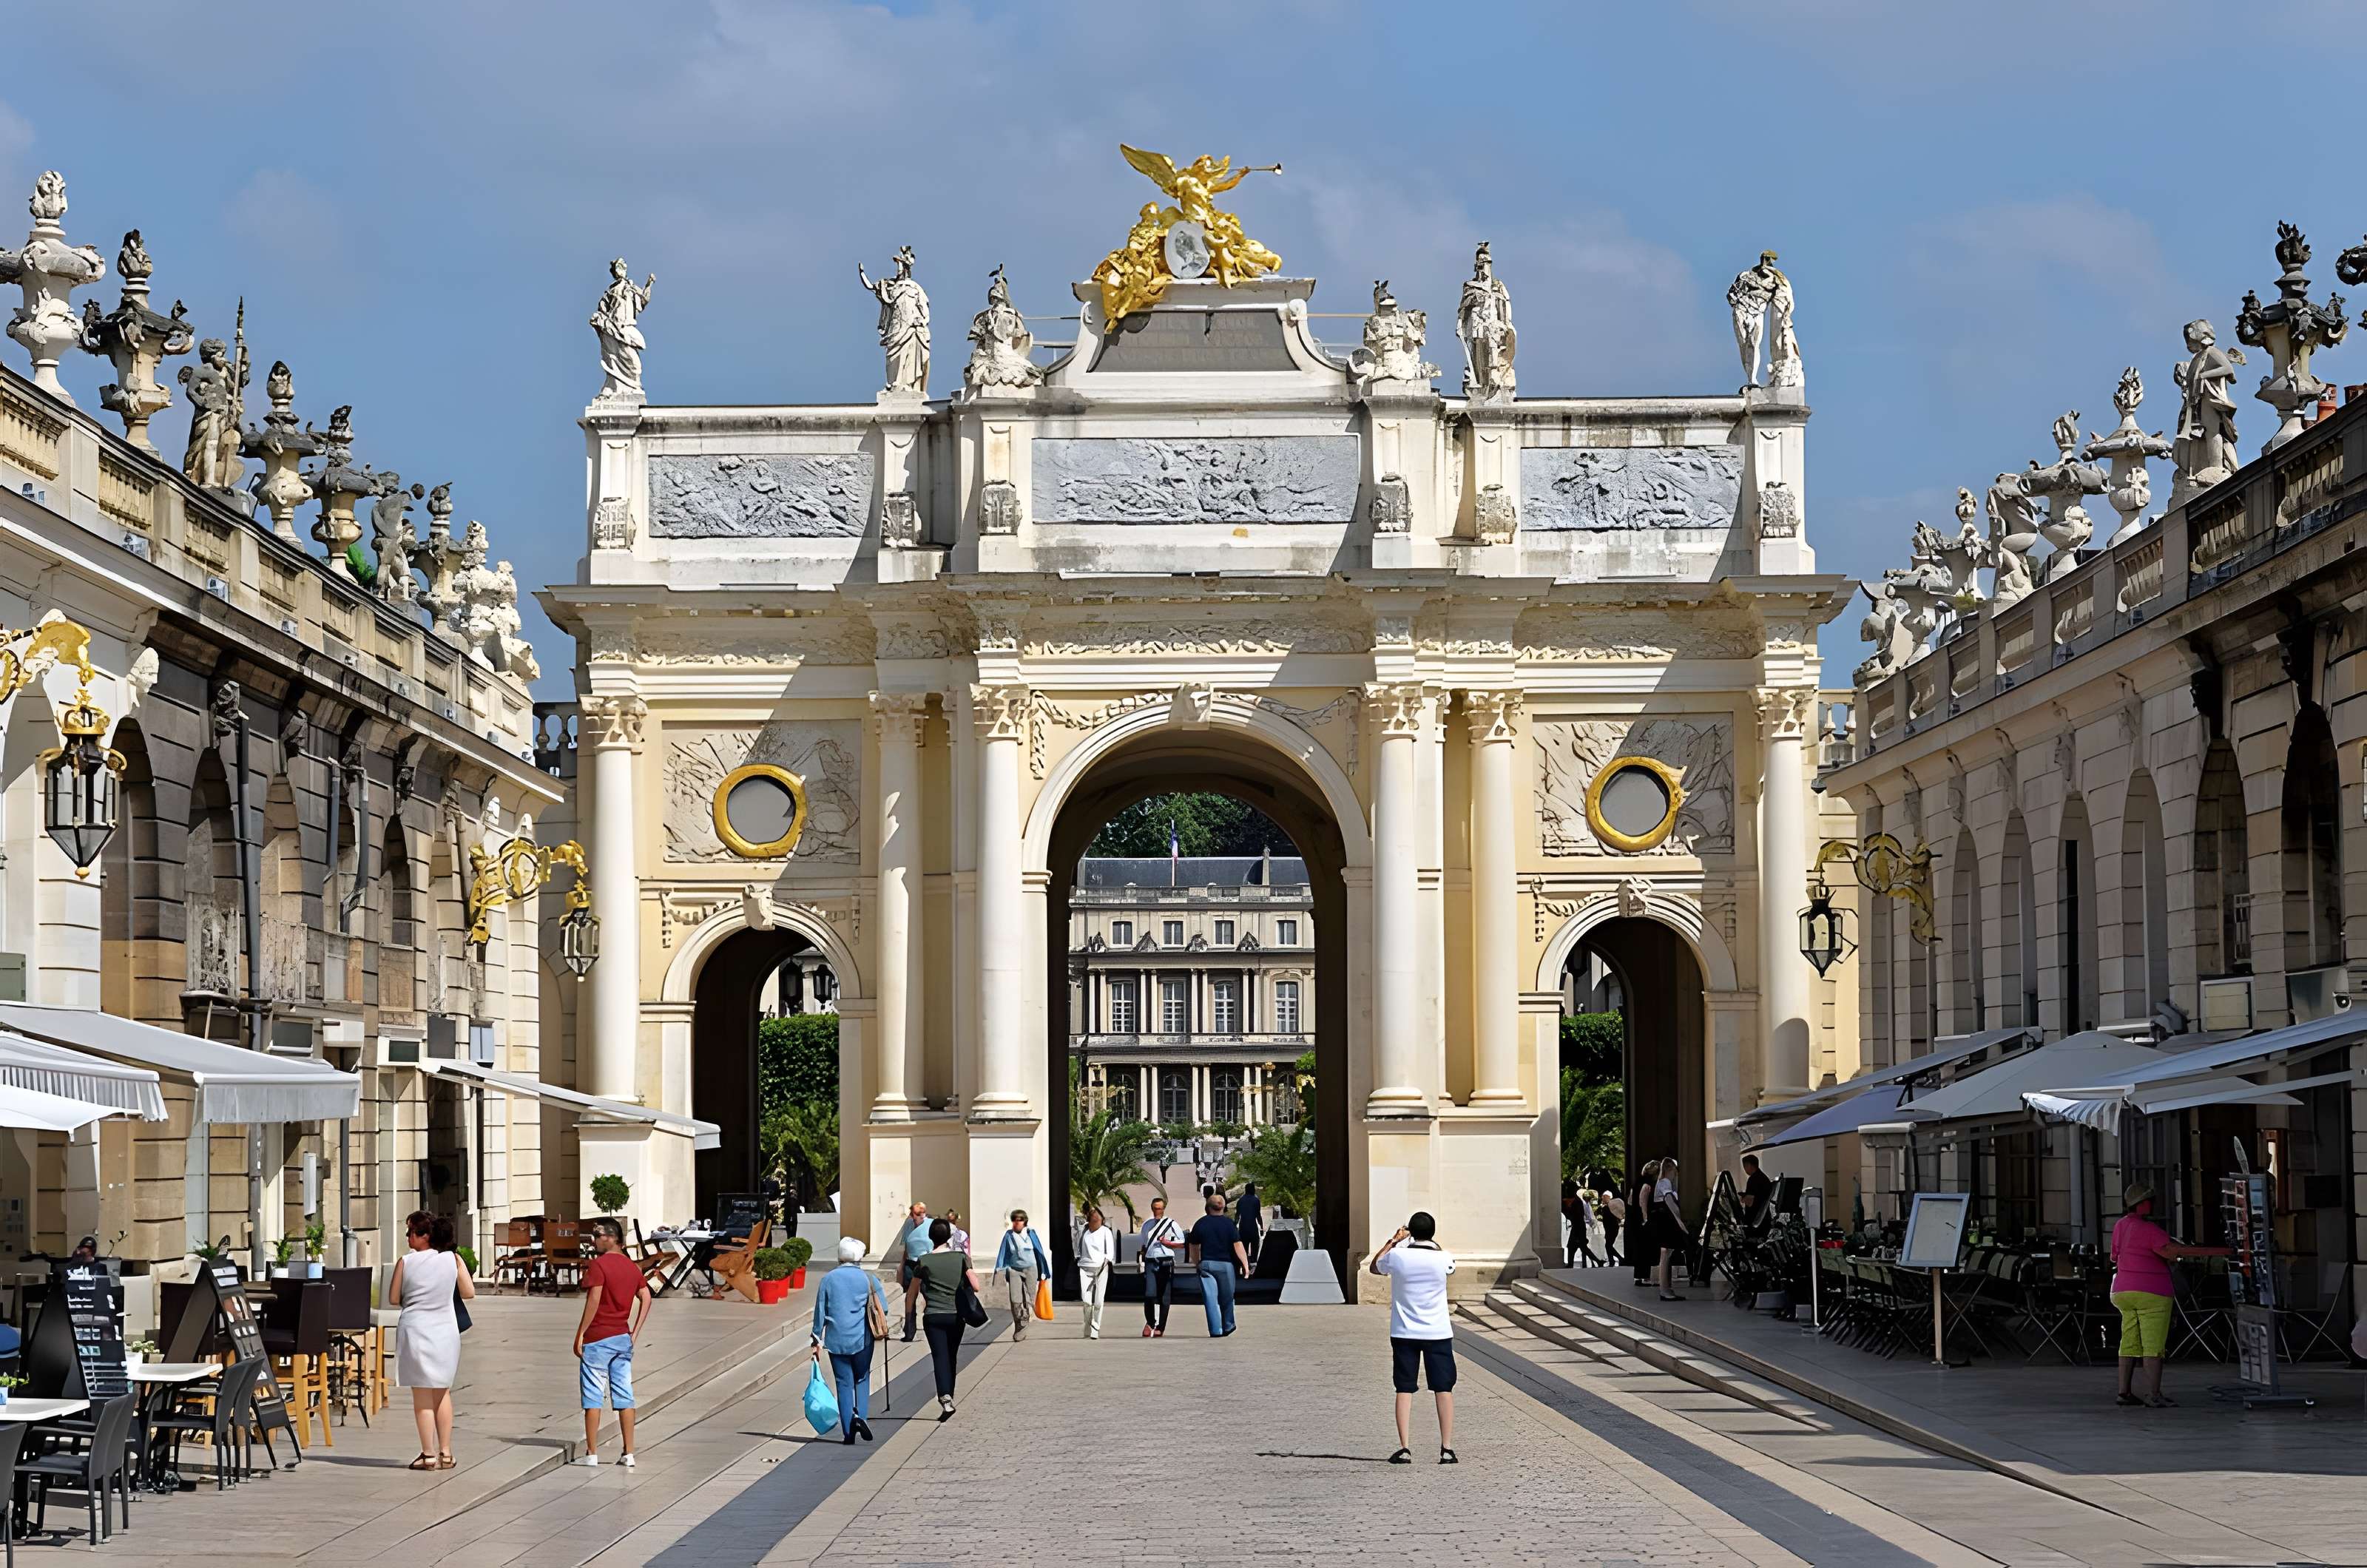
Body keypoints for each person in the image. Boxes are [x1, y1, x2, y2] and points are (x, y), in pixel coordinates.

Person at [2110, 1182, 2224, 1408]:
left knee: (2129, 1342)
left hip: (2122, 1291)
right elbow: (2171, 1252)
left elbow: (2114, 1256)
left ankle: (2124, 1392)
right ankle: (2153, 1394)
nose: (2153, 1205)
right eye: (2151, 1201)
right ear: (2142, 1204)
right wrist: (2219, 1251)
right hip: (2151, 1293)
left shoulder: (2120, 1226)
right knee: (2153, 1345)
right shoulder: (2150, 1230)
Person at [1369, 1212, 1458, 1464]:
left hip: (1404, 1331)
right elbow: (1449, 1267)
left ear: (1410, 1232)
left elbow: (1376, 1267)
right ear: (1432, 1232)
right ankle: (1447, 1448)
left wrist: (1394, 1240)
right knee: (1444, 1388)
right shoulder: (1443, 1257)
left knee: (1404, 1388)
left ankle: (1405, 1447)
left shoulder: (1398, 1256)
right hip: (1438, 1331)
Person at [391, 1210, 473, 1471]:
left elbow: (394, 1298)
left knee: (422, 1394)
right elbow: (469, 1292)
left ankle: (428, 1454)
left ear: (425, 1236)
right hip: (445, 1331)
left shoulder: (405, 1262)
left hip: (416, 1329)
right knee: (442, 1391)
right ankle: (446, 1453)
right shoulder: (453, 1259)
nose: (408, 1238)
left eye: (411, 1233)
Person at [573, 1218, 652, 1467]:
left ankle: (592, 1453)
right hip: (622, 1338)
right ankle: (629, 1453)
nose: (594, 1241)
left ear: (609, 1237)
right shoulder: (632, 1267)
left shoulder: (598, 1266)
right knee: (624, 1395)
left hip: (598, 1339)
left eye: (596, 1236)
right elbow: (646, 1297)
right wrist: (635, 1332)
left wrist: (581, 1333)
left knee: (593, 1396)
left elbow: (594, 1300)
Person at [810, 1236, 891, 1443]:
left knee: (843, 1382)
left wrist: (816, 1339)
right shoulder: (868, 1279)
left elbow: (820, 1312)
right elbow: (885, 1308)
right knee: (862, 1378)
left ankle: (848, 1431)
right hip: (863, 1339)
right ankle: (861, 1418)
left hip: (837, 1340)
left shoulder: (828, 1279)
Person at [904, 1217, 982, 1420]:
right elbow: (976, 1286)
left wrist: (909, 1319)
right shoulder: (961, 1257)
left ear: (931, 1237)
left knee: (939, 1357)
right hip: (956, 1316)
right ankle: (949, 1396)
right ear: (949, 1236)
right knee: (952, 1356)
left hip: (933, 1316)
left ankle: (945, 1398)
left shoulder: (924, 1260)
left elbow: (911, 1294)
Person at [1187, 1192, 1250, 1337]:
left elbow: (1194, 1247)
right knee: (1227, 1297)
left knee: (1210, 1299)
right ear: (1223, 1207)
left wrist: (1197, 1263)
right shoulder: (1229, 1224)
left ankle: (1216, 1330)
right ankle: (1228, 1325)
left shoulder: (1200, 1223)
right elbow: (1238, 1245)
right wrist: (1245, 1265)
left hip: (1207, 1264)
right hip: (1225, 1265)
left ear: (1207, 1207)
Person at [994, 1209, 1052, 1340]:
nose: (1016, 1223)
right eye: (1014, 1220)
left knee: (1030, 1298)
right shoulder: (1009, 1235)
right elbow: (1003, 1252)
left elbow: (1040, 1252)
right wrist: (999, 1268)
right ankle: (1019, 1324)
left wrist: (1044, 1271)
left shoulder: (1031, 1234)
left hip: (1031, 1269)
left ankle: (1024, 1322)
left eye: (1019, 1220)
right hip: (1014, 1270)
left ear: (1025, 1222)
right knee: (1015, 1300)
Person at [1138, 1197, 1184, 1338]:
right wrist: (1141, 1260)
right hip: (1151, 1261)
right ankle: (1151, 1322)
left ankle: (1161, 1327)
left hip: (1166, 1260)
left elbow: (1182, 1242)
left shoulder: (1171, 1224)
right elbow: (1144, 1245)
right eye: (1155, 1208)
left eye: (1159, 1208)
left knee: (1164, 1296)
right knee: (1149, 1294)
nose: (1157, 1211)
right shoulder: (1147, 1225)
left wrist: (1167, 1243)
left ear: (1163, 1209)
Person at [1076, 1206, 1117, 1339]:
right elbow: (1077, 1247)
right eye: (1093, 1218)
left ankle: (1095, 1327)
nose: (1095, 1221)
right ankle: (1087, 1324)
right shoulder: (1083, 1231)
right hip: (1085, 1268)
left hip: (1101, 1268)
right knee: (1087, 1301)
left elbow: (1110, 1253)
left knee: (1099, 1301)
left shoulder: (1106, 1232)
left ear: (1102, 1220)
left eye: (1098, 1219)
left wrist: (1103, 1267)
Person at [897, 1201, 931, 1342]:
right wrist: (902, 1266)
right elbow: (906, 1248)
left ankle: (931, 1325)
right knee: (910, 1297)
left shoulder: (930, 1225)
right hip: (911, 1263)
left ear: (924, 1214)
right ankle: (909, 1331)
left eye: (918, 1214)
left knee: (928, 1295)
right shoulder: (909, 1225)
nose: (915, 1217)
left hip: (927, 1263)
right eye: (913, 1214)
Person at [1654, 1157, 1687, 1301]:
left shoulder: (1661, 1183)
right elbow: (1669, 1200)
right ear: (1671, 1169)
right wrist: (1679, 1219)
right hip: (1666, 1220)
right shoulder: (1666, 1183)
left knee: (1666, 1254)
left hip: (1664, 1219)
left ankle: (1666, 1288)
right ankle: (1665, 1289)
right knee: (1666, 1254)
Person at [1630, 1162, 1661, 1286]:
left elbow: (1631, 1200)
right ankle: (1644, 1277)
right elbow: (1643, 1202)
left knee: (1640, 1249)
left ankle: (1639, 1276)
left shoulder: (1637, 1182)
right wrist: (1645, 1219)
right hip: (1643, 1221)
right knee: (1646, 1249)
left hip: (1636, 1220)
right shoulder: (1647, 1184)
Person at [1738, 1153, 1775, 1232]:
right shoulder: (1764, 1178)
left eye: (1745, 1166)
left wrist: (1741, 1199)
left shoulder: (1753, 1180)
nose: (1745, 1169)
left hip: (1755, 1224)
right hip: (1765, 1220)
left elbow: (1750, 1202)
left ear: (1750, 1165)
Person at [1237, 1183, 1264, 1271]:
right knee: (1255, 1247)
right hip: (1253, 1227)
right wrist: (1261, 1227)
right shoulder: (1256, 1200)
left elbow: (1237, 1215)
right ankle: (1253, 1264)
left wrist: (1234, 1226)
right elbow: (1258, 1215)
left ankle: (1244, 1265)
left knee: (1244, 1247)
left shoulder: (1240, 1201)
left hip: (1243, 1227)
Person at [1598, 1180, 1624, 1267]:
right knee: (1608, 1245)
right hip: (1612, 1229)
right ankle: (1614, 1260)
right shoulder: (1608, 1208)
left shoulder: (1607, 1208)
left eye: (1603, 1197)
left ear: (1607, 1197)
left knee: (1608, 1245)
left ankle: (1618, 1259)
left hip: (1611, 1229)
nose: (1602, 1198)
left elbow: (1607, 1220)